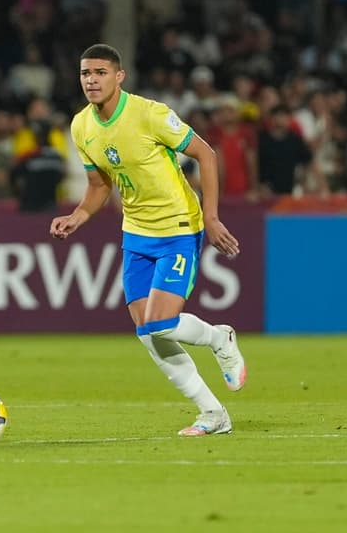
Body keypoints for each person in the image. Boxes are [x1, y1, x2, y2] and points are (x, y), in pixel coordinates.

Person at [49, 44, 246, 437]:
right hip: (136, 233)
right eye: (86, 73)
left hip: (177, 227)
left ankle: (219, 337)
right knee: (147, 332)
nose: (91, 80)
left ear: (119, 76)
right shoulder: (81, 126)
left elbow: (205, 155)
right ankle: (213, 413)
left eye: (100, 73)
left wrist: (210, 217)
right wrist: (78, 216)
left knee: (160, 322)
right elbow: (98, 184)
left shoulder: (150, 114)